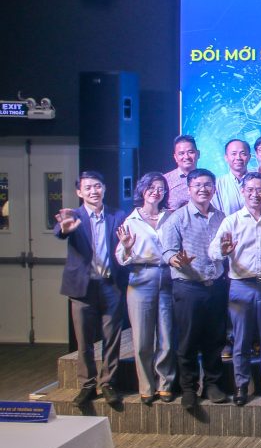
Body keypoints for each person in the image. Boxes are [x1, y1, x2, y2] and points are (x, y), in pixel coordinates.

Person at [208, 172, 261, 406]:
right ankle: (241, 385)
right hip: (240, 285)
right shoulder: (232, 221)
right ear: (242, 192)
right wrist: (223, 251)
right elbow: (213, 252)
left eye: (259, 189)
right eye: (250, 189)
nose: (255, 194)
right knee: (241, 340)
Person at [54, 171, 128, 407]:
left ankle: (108, 383)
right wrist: (65, 229)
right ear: (79, 192)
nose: (93, 191)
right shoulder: (74, 215)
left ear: (104, 188)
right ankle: (87, 384)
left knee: (111, 338)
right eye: (87, 188)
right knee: (84, 340)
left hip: (110, 285)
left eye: (97, 186)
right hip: (82, 288)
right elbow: (60, 231)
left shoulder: (118, 215)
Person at [160, 168, 230, 410]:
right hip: (188, 287)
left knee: (215, 338)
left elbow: (225, 250)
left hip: (216, 286)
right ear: (189, 189)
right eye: (198, 185)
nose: (203, 189)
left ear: (214, 188)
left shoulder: (221, 217)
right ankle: (189, 388)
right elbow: (167, 251)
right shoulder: (177, 218)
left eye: (208, 184)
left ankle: (213, 384)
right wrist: (176, 261)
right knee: (188, 340)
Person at [114, 172, 176, 405]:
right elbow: (121, 258)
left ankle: (165, 384)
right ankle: (146, 386)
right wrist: (127, 247)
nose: (155, 192)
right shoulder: (131, 220)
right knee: (142, 338)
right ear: (142, 190)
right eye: (151, 187)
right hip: (141, 278)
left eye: (160, 188)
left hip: (168, 276)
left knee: (167, 336)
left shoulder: (171, 216)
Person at [212, 139, 261, 215]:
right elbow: (215, 215)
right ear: (226, 157)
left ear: (249, 157)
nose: (238, 157)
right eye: (234, 154)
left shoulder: (259, 179)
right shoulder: (217, 185)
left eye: (243, 153)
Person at [165, 135, 200, 211]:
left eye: (191, 152)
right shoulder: (165, 180)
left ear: (198, 154)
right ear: (175, 157)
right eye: (181, 153)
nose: (186, 157)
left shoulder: (207, 180)